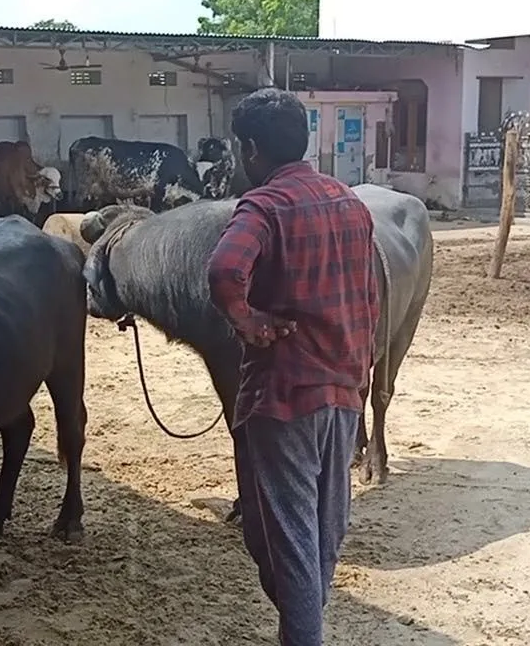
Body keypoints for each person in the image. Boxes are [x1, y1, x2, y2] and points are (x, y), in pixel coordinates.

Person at [206, 88, 381, 645]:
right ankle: (303, 621)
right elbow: (371, 294)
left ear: (251, 150)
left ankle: (302, 633)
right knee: (323, 533)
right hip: (344, 391)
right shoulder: (350, 203)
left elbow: (224, 270)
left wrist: (248, 321)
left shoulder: (264, 205)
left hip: (284, 397)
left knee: (285, 539)